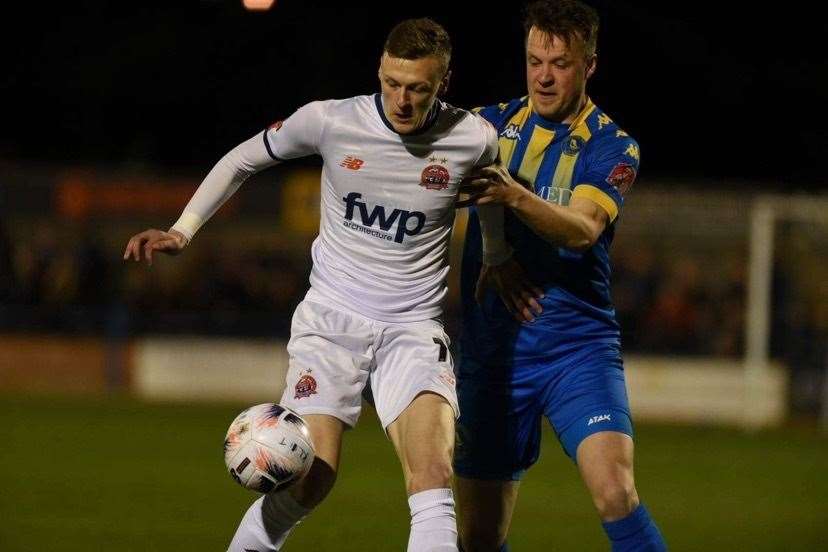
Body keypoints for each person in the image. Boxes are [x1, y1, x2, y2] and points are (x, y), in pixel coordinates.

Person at [123, 18, 508, 552]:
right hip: (332, 321)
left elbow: (494, 198)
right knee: (311, 477)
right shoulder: (330, 121)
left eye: (417, 89)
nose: (401, 100)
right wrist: (182, 231)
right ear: (380, 69)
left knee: (432, 477)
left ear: (443, 81)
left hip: (413, 328)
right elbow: (242, 159)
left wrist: (497, 257)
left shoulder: (473, 138)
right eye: (392, 83)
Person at [453, 1, 667, 550]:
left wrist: (509, 193)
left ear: (590, 65)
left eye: (560, 63)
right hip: (494, 351)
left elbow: (582, 229)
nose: (544, 76)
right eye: (533, 61)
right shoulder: (485, 126)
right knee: (479, 537)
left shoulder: (612, 145)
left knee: (615, 492)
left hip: (578, 348)